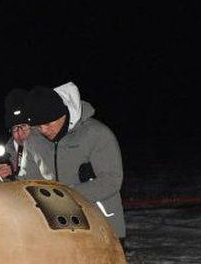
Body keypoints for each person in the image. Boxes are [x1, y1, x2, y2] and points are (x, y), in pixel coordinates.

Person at [21, 82, 126, 238]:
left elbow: (112, 180)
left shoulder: (97, 135)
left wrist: (65, 196)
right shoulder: (33, 140)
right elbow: (28, 182)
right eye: (37, 125)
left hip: (101, 227)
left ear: (62, 113)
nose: (44, 130)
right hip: (54, 230)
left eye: (48, 123)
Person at [0, 88, 31, 181]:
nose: (20, 133)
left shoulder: (48, 146)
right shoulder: (6, 154)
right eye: (14, 128)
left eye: (23, 126)